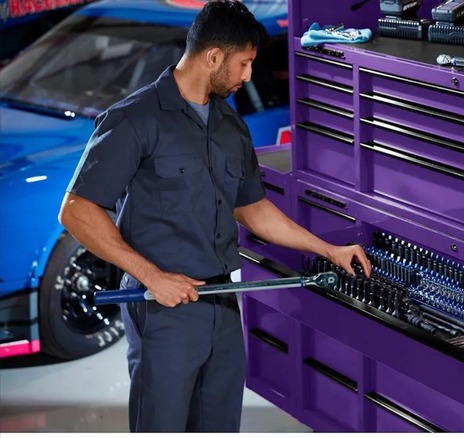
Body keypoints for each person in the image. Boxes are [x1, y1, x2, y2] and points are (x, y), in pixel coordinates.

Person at [58, 0, 370, 432]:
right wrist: (152, 276)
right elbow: (76, 211)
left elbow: (253, 209)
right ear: (213, 57)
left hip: (221, 304)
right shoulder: (135, 119)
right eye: (243, 64)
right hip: (163, 309)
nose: (247, 76)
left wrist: (328, 249)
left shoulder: (229, 124)